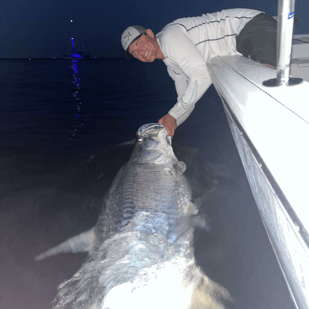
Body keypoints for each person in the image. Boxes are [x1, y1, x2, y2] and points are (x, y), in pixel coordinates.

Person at [121, 8, 277, 136]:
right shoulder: (172, 66)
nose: (140, 52)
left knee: (267, 82)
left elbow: (202, 76)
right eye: (135, 53)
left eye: (139, 43)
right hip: (242, 42)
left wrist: (173, 115)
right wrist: (167, 127)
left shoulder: (169, 37)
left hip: (251, 26)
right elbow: (186, 100)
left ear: (149, 33)